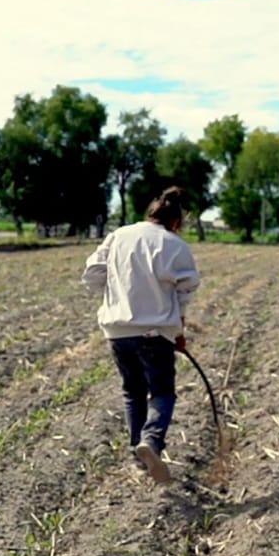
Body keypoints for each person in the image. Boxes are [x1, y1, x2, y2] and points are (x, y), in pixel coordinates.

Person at [83, 187, 201, 483]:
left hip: (116, 330)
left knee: (132, 392)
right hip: (155, 332)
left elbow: (93, 275)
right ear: (176, 223)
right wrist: (179, 330)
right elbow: (185, 291)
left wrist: (117, 294)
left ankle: (139, 458)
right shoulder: (175, 245)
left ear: (150, 214)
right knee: (162, 392)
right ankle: (151, 441)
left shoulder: (118, 235)